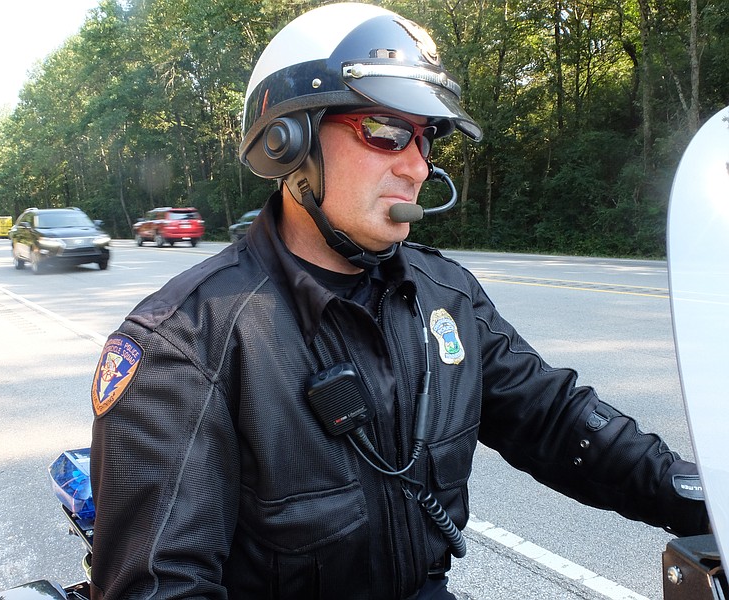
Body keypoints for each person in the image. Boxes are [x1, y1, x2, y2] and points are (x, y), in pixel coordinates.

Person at [88, 4, 710, 599]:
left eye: (427, 138)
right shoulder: (187, 344)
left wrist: (702, 493)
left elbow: (556, 420)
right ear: (287, 142)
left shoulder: (447, 297)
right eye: (387, 131)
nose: (417, 167)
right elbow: (162, 584)